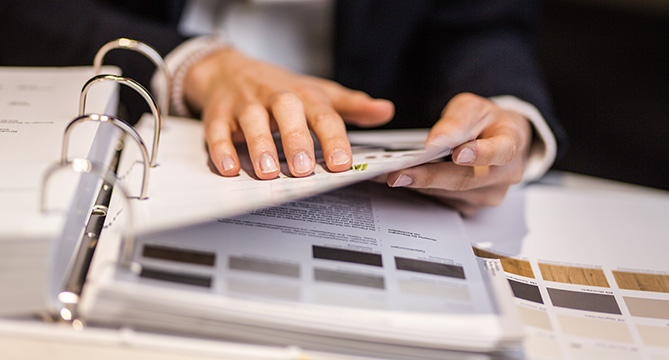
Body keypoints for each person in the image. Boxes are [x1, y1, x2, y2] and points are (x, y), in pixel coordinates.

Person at [0, 0, 565, 215]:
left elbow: (478, 23)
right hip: (117, 121)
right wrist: (190, 63)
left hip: (361, 162)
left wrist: (508, 116)